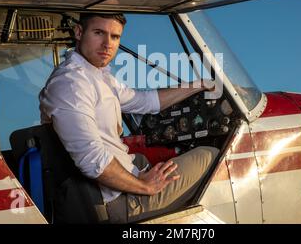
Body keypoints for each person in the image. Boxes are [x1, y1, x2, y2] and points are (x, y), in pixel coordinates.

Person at [39, 12, 219, 223]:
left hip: (122, 183)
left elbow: (145, 102)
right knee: (212, 156)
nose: (107, 44)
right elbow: (92, 161)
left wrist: (200, 84)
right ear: (79, 32)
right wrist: (144, 186)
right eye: (99, 33)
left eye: (115, 37)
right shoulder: (71, 84)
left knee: (147, 160)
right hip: (117, 202)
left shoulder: (96, 76)